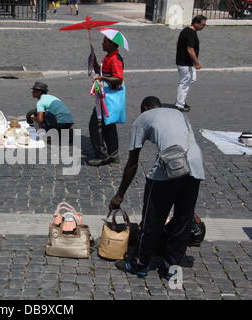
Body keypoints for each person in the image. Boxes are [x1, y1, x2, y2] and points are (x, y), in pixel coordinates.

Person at [109, 96, 205, 279]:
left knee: (153, 219)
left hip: (170, 167)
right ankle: (172, 268)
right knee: (182, 219)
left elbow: (132, 163)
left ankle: (140, 264)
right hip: (195, 165)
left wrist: (119, 194)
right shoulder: (179, 113)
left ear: (144, 108)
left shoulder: (142, 119)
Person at [88, 36, 124, 166]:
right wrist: (94, 59)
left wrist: (102, 77)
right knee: (109, 125)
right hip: (105, 97)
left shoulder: (114, 59)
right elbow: (100, 70)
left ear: (113, 44)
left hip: (107, 99)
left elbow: (118, 78)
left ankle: (101, 155)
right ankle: (113, 155)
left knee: (96, 125)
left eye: (105, 41)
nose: (102, 43)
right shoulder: (109, 56)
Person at [175, 15, 207, 112]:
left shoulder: (188, 31)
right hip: (184, 63)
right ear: (196, 23)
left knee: (192, 79)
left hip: (186, 62)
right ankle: (179, 104)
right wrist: (197, 63)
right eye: (203, 25)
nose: (204, 27)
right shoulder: (190, 34)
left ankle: (181, 100)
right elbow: (190, 50)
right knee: (184, 83)